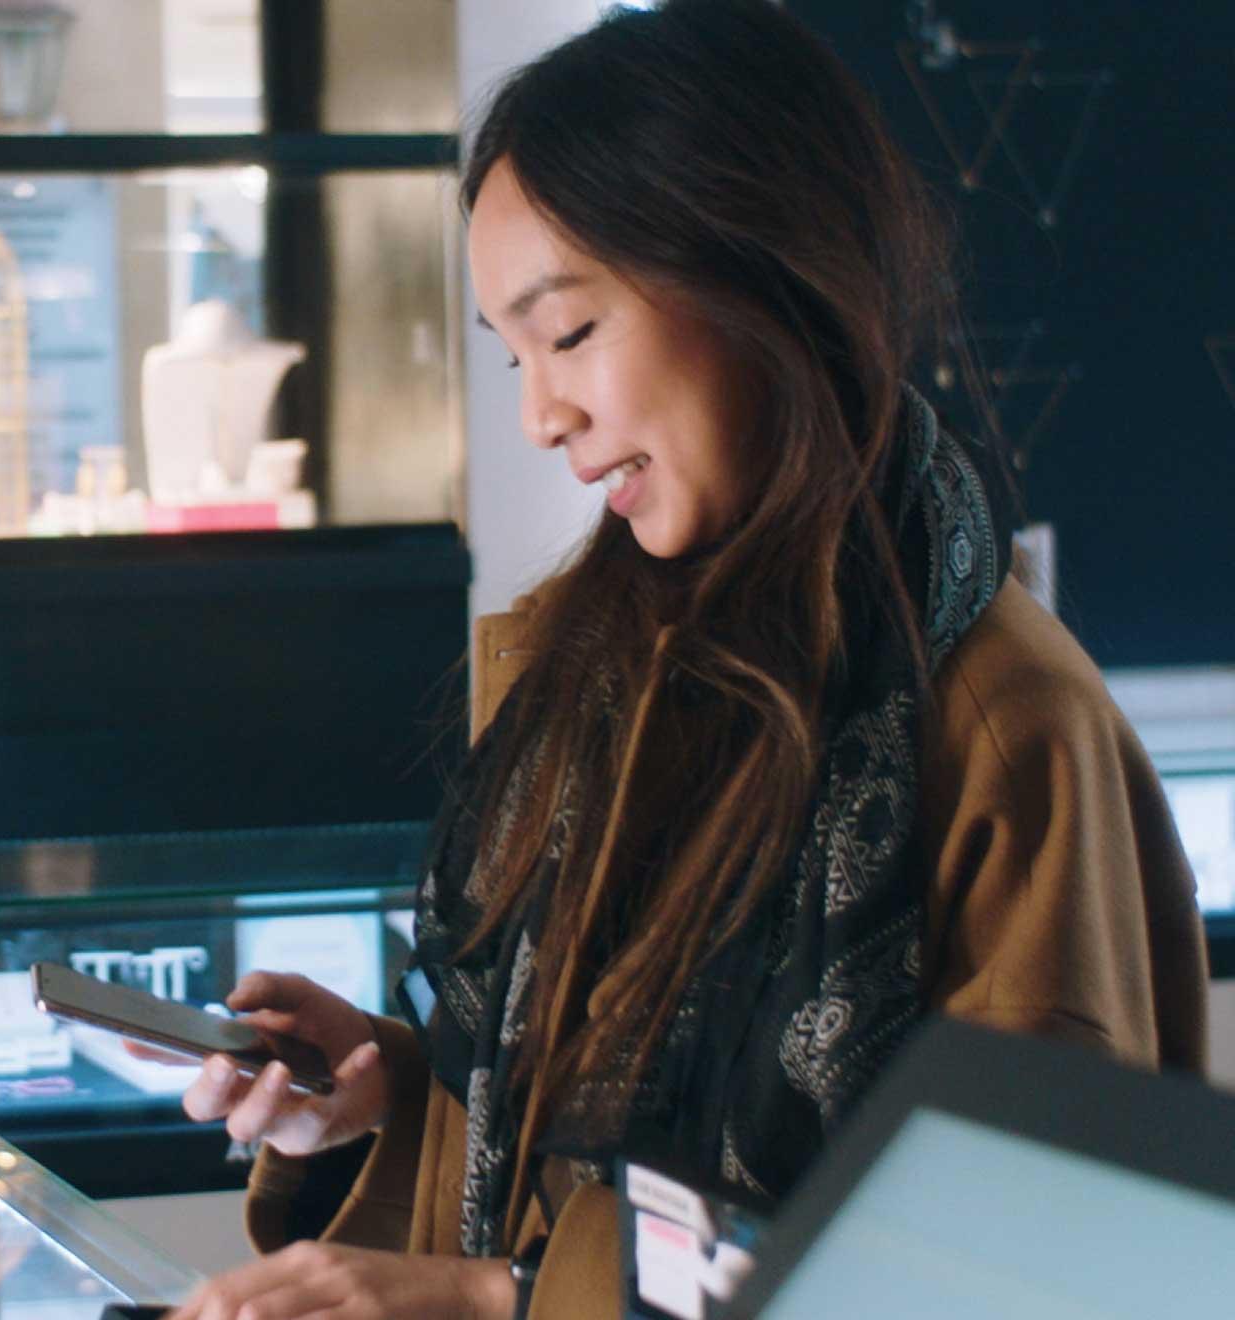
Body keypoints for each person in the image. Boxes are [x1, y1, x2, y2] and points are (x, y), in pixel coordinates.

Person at [167, 3, 1208, 1316]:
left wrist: (509, 1299)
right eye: (514, 354)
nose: (541, 414)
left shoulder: (1001, 726)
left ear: (763, 272)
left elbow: (1017, 1274)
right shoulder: (585, 678)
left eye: (570, 333)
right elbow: (563, 1151)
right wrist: (381, 1092)